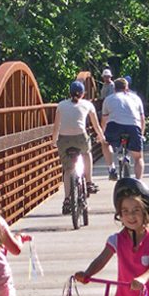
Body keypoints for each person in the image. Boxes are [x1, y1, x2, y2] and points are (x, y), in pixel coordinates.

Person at [52, 79, 107, 211]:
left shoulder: (61, 105)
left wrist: (54, 141)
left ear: (69, 93)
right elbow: (96, 125)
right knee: (87, 153)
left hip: (64, 140)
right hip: (80, 138)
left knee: (68, 170)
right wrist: (101, 136)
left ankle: (66, 200)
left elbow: (56, 126)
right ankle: (89, 182)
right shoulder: (87, 104)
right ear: (83, 93)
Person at [101, 77, 146, 179]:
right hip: (133, 127)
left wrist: (102, 134)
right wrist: (141, 135)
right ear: (127, 88)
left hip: (115, 126)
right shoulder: (136, 98)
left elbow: (104, 120)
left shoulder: (108, 99)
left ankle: (111, 168)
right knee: (138, 157)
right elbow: (142, 119)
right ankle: (138, 182)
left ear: (114, 89)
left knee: (105, 143)